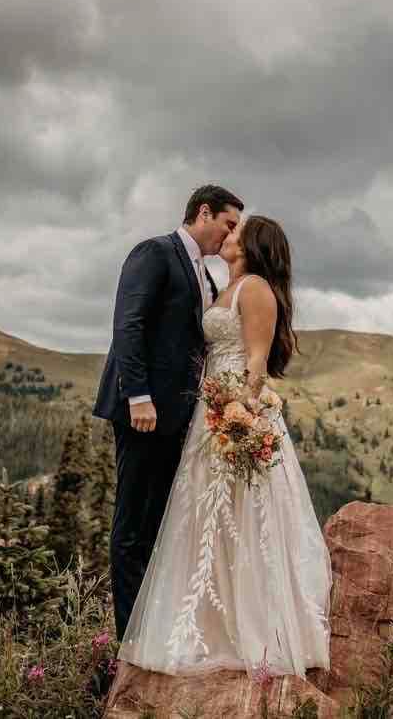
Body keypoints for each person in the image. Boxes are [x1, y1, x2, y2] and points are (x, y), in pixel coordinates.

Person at [116, 214, 332, 680]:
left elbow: (256, 360)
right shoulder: (224, 287)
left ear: (251, 245)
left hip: (234, 412)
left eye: (237, 230)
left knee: (243, 516)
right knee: (201, 516)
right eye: (228, 225)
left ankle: (250, 629)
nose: (228, 235)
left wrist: (242, 414)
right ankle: (206, 625)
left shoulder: (255, 289)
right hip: (208, 412)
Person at [93, 185, 244, 643]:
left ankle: (152, 629)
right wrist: (138, 395)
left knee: (158, 524)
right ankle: (129, 642)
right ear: (203, 212)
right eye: (228, 224)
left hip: (177, 421)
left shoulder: (207, 275)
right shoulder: (155, 253)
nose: (230, 234)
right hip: (144, 413)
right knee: (133, 527)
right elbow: (129, 324)